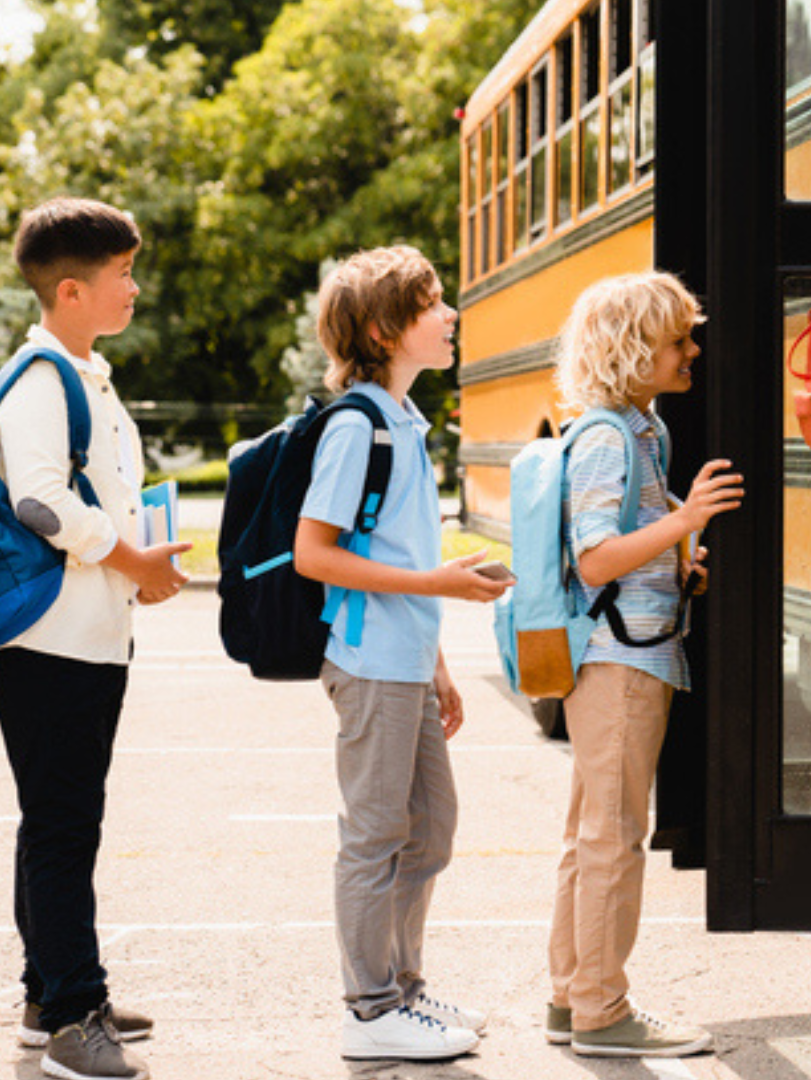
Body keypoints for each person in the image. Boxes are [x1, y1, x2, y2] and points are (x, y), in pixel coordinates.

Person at [0, 197, 191, 1080]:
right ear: (71, 290)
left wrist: (137, 564)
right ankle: (73, 1017)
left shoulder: (83, 374)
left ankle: (51, 994)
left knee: (57, 822)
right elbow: (39, 501)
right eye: (122, 275)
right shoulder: (41, 383)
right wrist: (132, 556)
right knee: (65, 826)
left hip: (82, 636)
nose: (135, 288)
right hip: (49, 641)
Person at [292, 246, 513, 1062]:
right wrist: (437, 585)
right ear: (386, 330)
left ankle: (402, 993)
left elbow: (395, 552)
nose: (450, 314)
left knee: (430, 833)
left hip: (407, 662)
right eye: (432, 304)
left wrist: (440, 662)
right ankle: (370, 1008)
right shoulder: (357, 426)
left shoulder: (401, 421)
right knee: (378, 834)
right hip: (371, 664)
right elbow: (315, 553)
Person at [544, 272, 742, 1057]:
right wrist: (687, 521)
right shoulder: (605, 438)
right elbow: (594, 560)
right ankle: (602, 1011)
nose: (693, 351)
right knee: (612, 839)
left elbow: (628, 550)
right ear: (632, 350)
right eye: (678, 341)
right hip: (619, 662)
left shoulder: (642, 430)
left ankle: (570, 998)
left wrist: (681, 561)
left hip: (628, 652)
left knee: (590, 834)